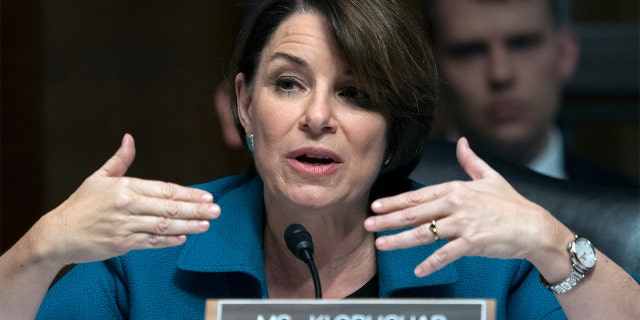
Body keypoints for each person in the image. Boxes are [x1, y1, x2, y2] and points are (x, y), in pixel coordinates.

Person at [0, 0, 638, 319]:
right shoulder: (144, 257)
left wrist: (552, 243)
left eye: (357, 94)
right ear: (245, 105)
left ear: (395, 126)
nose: (318, 117)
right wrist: (37, 251)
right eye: (288, 82)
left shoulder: (487, 264)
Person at [416, 0, 637, 187]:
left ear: (565, 54)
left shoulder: (628, 210)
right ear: (433, 68)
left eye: (522, 44)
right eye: (470, 51)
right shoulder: (393, 201)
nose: (500, 74)